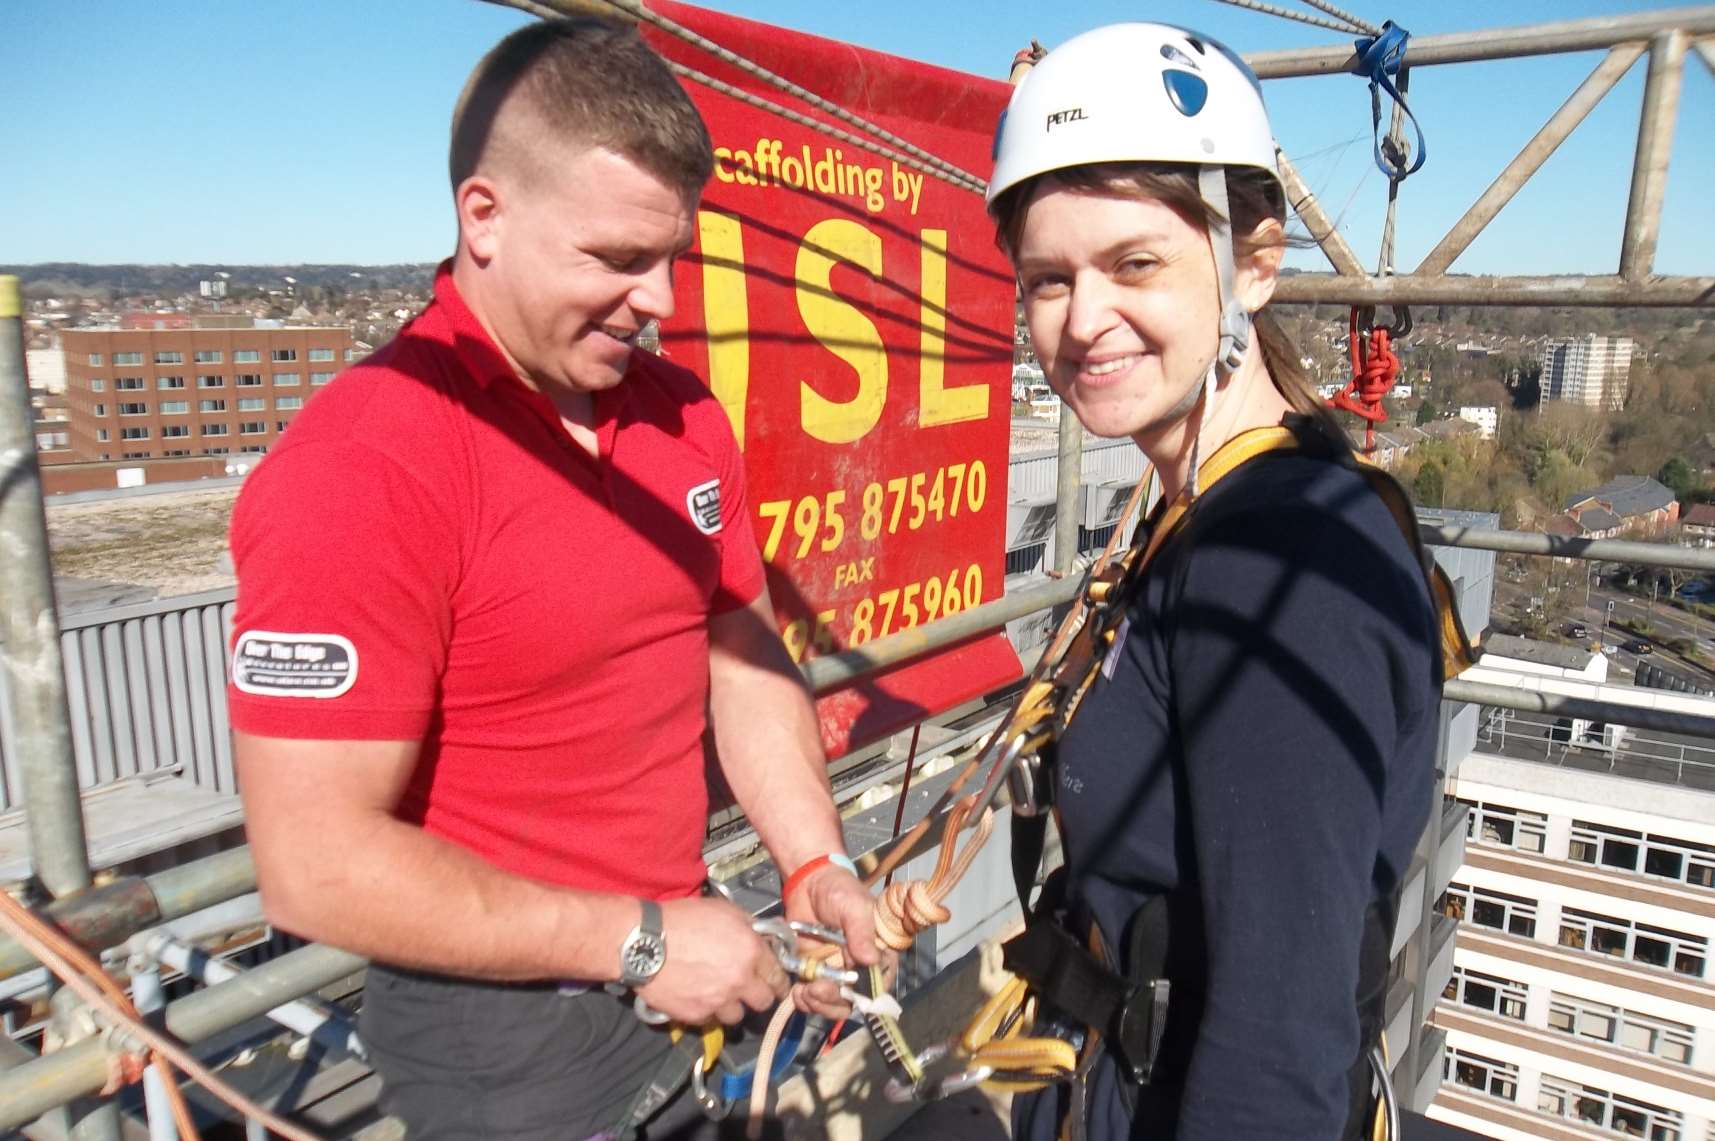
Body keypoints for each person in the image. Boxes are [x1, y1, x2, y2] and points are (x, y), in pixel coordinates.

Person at [227, 18, 878, 1140]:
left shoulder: (681, 416)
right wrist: (638, 941)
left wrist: (809, 858)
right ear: (484, 216)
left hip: (672, 951)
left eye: (673, 254)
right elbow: (314, 866)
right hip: (500, 1035)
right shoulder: (365, 464)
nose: (662, 300)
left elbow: (745, 651)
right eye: (618, 259)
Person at [985, 23, 1442, 1141]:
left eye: (1134, 262)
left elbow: (1276, 1047)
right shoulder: (1212, 505)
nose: (1081, 321)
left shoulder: (1277, 560)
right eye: (1047, 279)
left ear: (1253, 260)